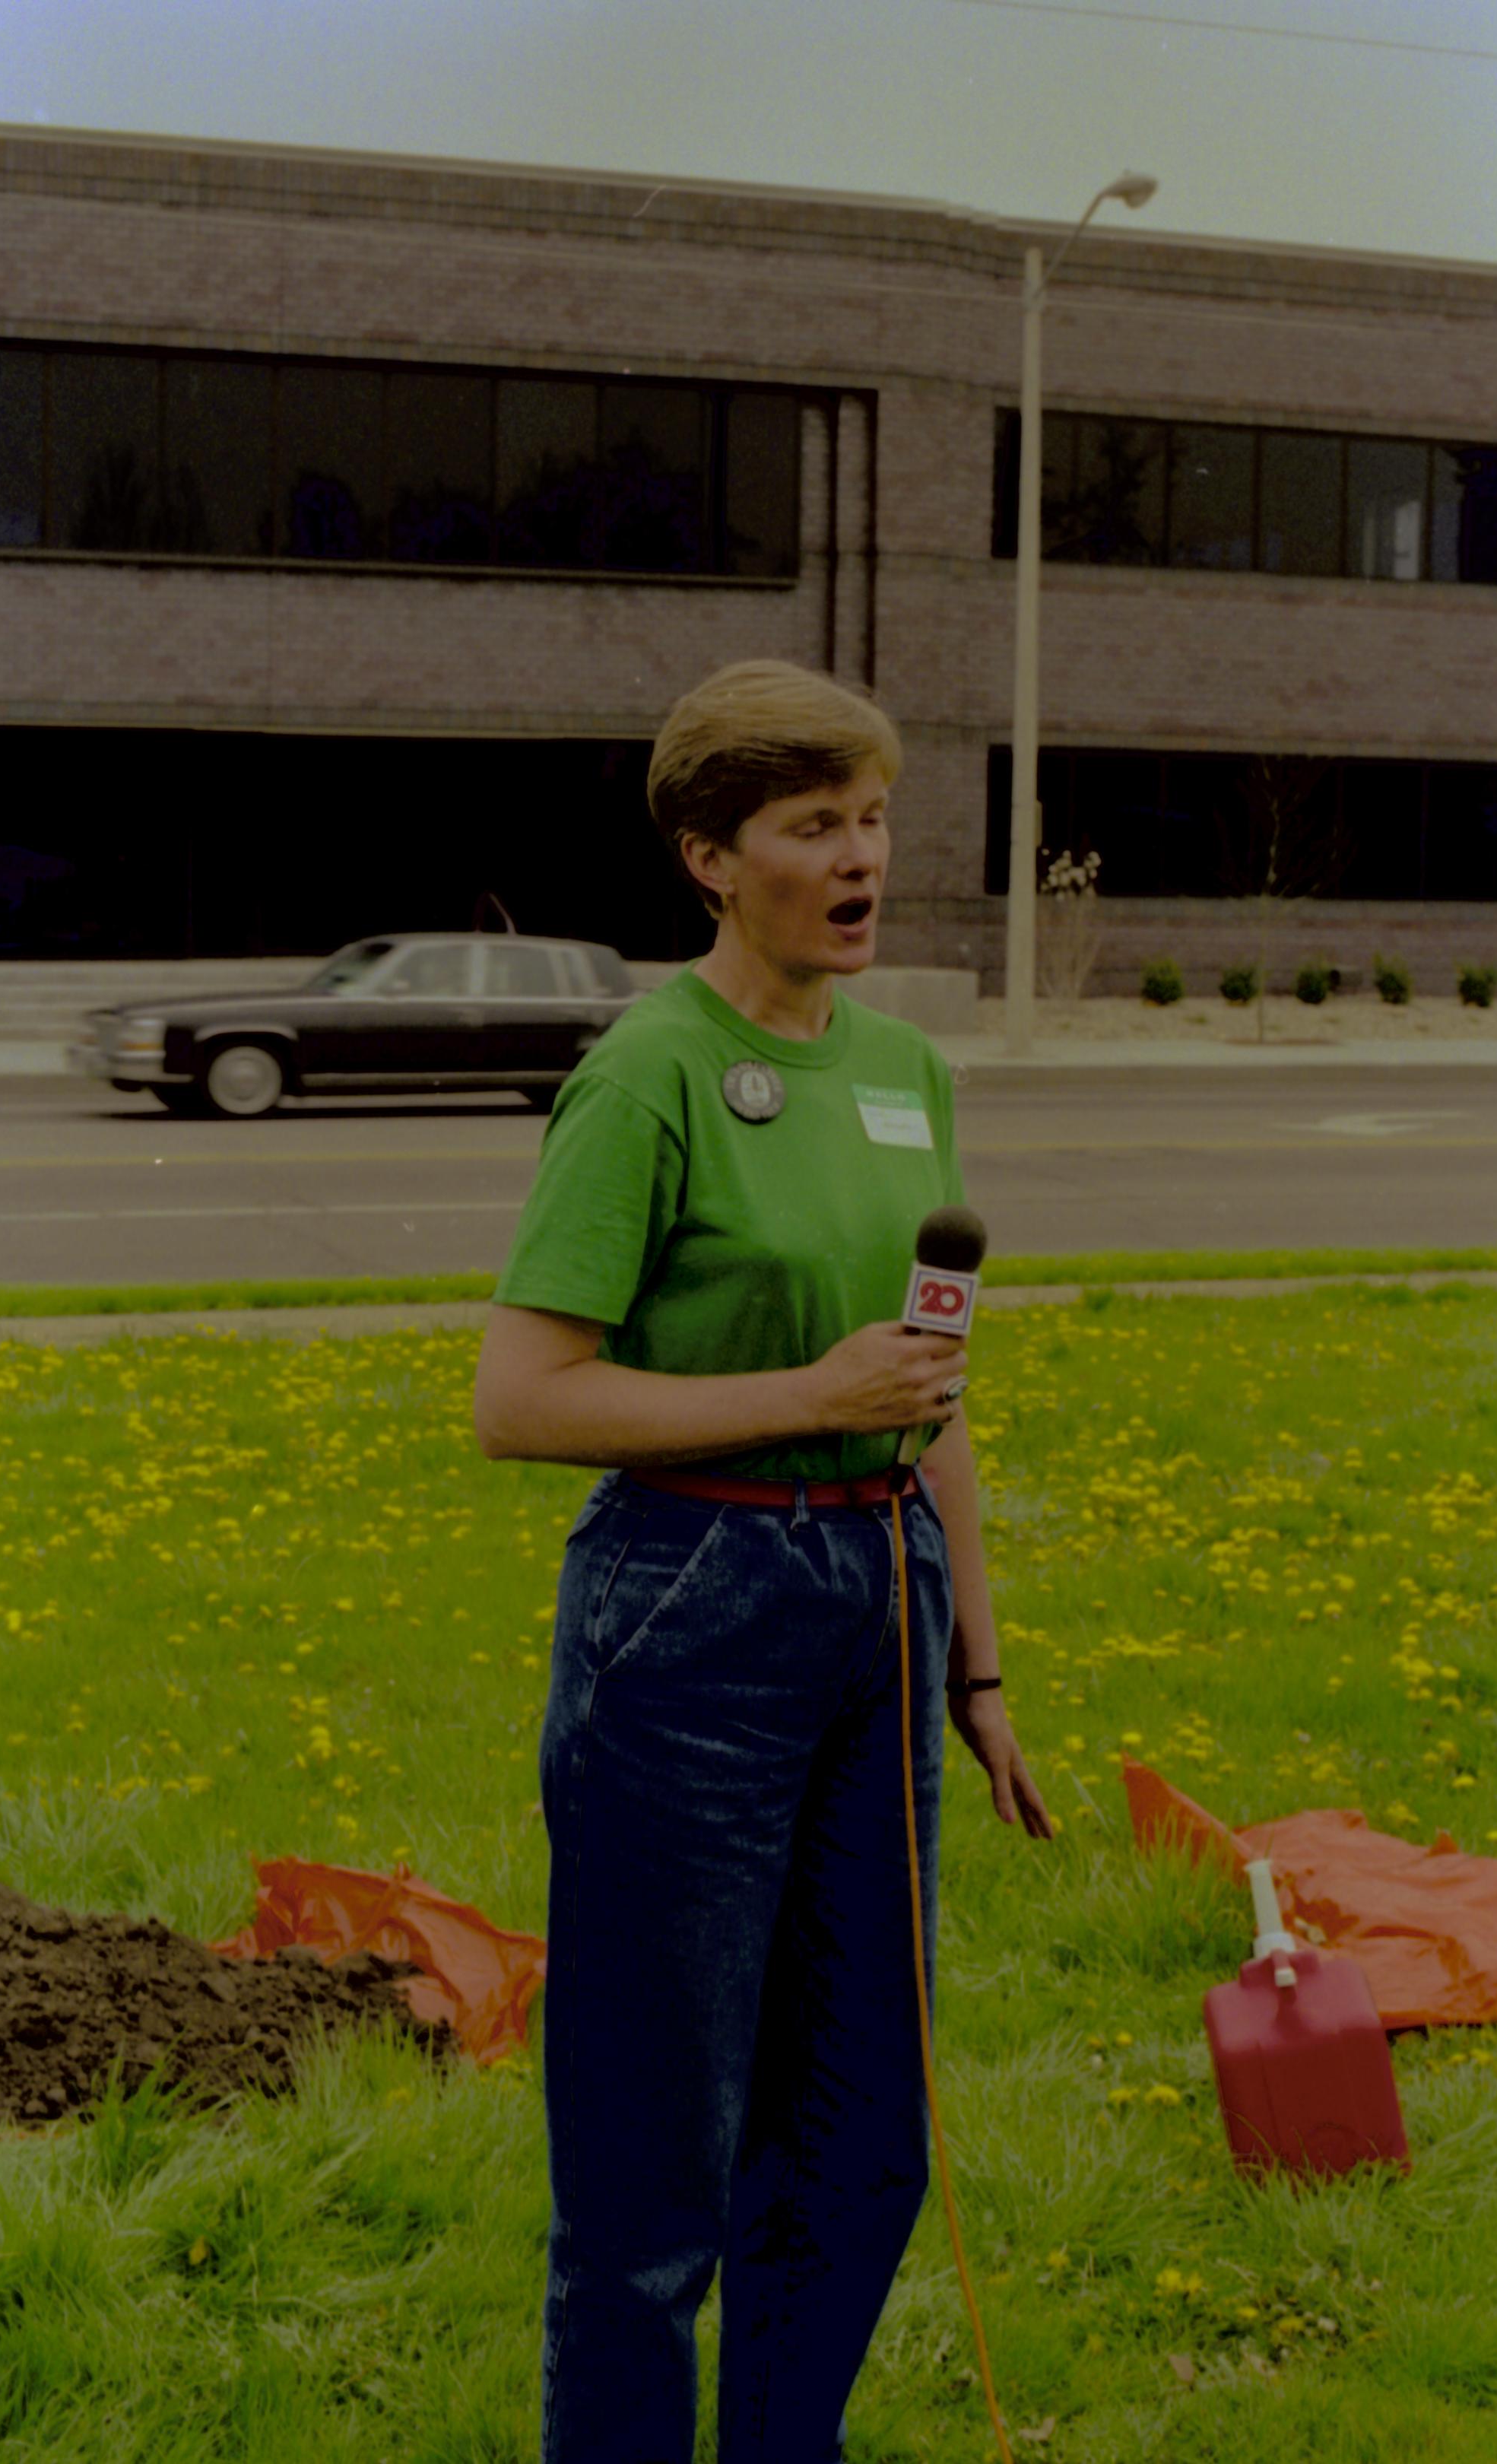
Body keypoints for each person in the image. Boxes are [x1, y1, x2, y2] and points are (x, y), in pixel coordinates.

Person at [473, 659, 1053, 2464]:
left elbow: (928, 1389)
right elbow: (522, 1399)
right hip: (689, 1614)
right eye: (817, 826)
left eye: (874, 818)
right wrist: (811, 1389)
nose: (863, 858)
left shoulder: (903, 1073)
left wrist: (978, 1662)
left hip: (878, 1606)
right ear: (713, 858)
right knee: (655, 2178)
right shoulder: (646, 1077)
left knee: (862, 2126)